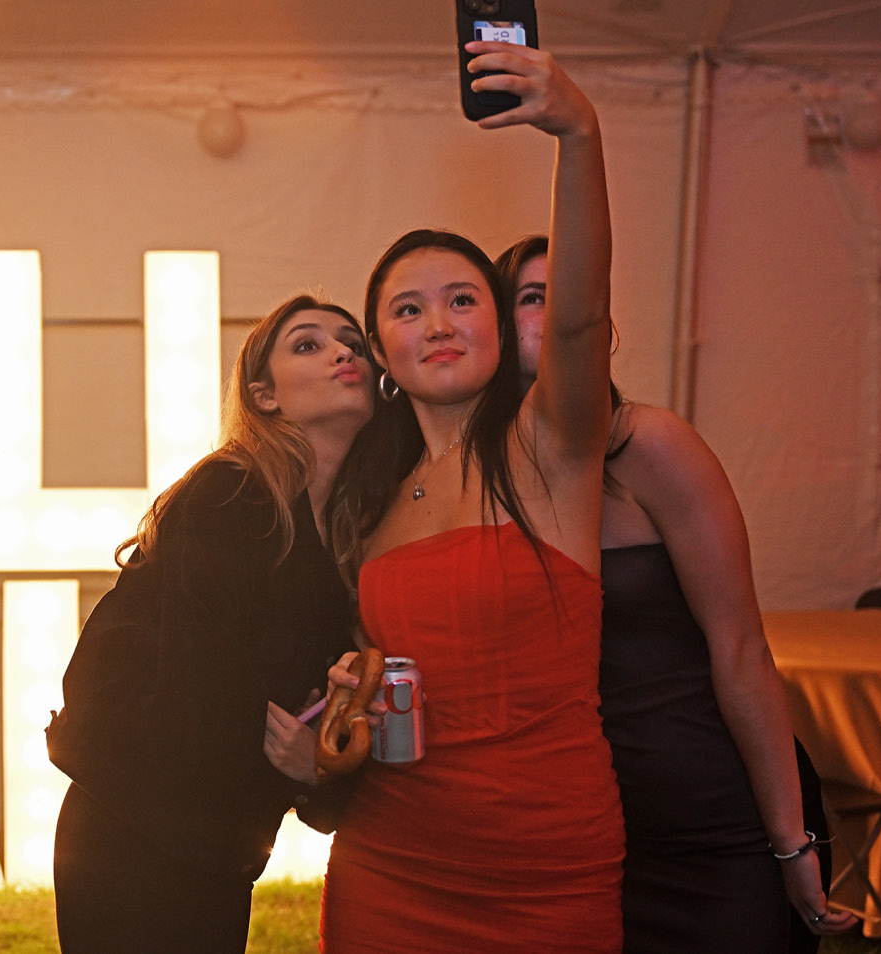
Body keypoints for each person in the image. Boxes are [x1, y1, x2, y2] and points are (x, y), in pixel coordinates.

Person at [321, 43, 626, 952]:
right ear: (380, 352)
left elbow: (577, 314)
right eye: (408, 310)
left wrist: (580, 135)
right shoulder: (365, 496)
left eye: (463, 298)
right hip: (392, 860)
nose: (440, 322)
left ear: (500, 321)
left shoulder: (548, 447)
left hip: (546, 867)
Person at [496, 233, 856, 952]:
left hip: (712, 820)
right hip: (587, 835)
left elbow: (742, 649)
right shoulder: (487, 480)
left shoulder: (651, 446)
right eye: (532, 299)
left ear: (603, 325)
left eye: (570, 298)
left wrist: (789, 842)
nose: (555, 315)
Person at [47, 294, 378, 953]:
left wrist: (312, 772)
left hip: (221, 849)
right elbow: (197, 703)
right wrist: (298, 769)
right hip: (133, 837)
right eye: (308, 344)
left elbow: (316, 736)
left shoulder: (346, 538)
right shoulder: (230, 494)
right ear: (265, 395)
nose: (344, 352)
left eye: (353, 343)